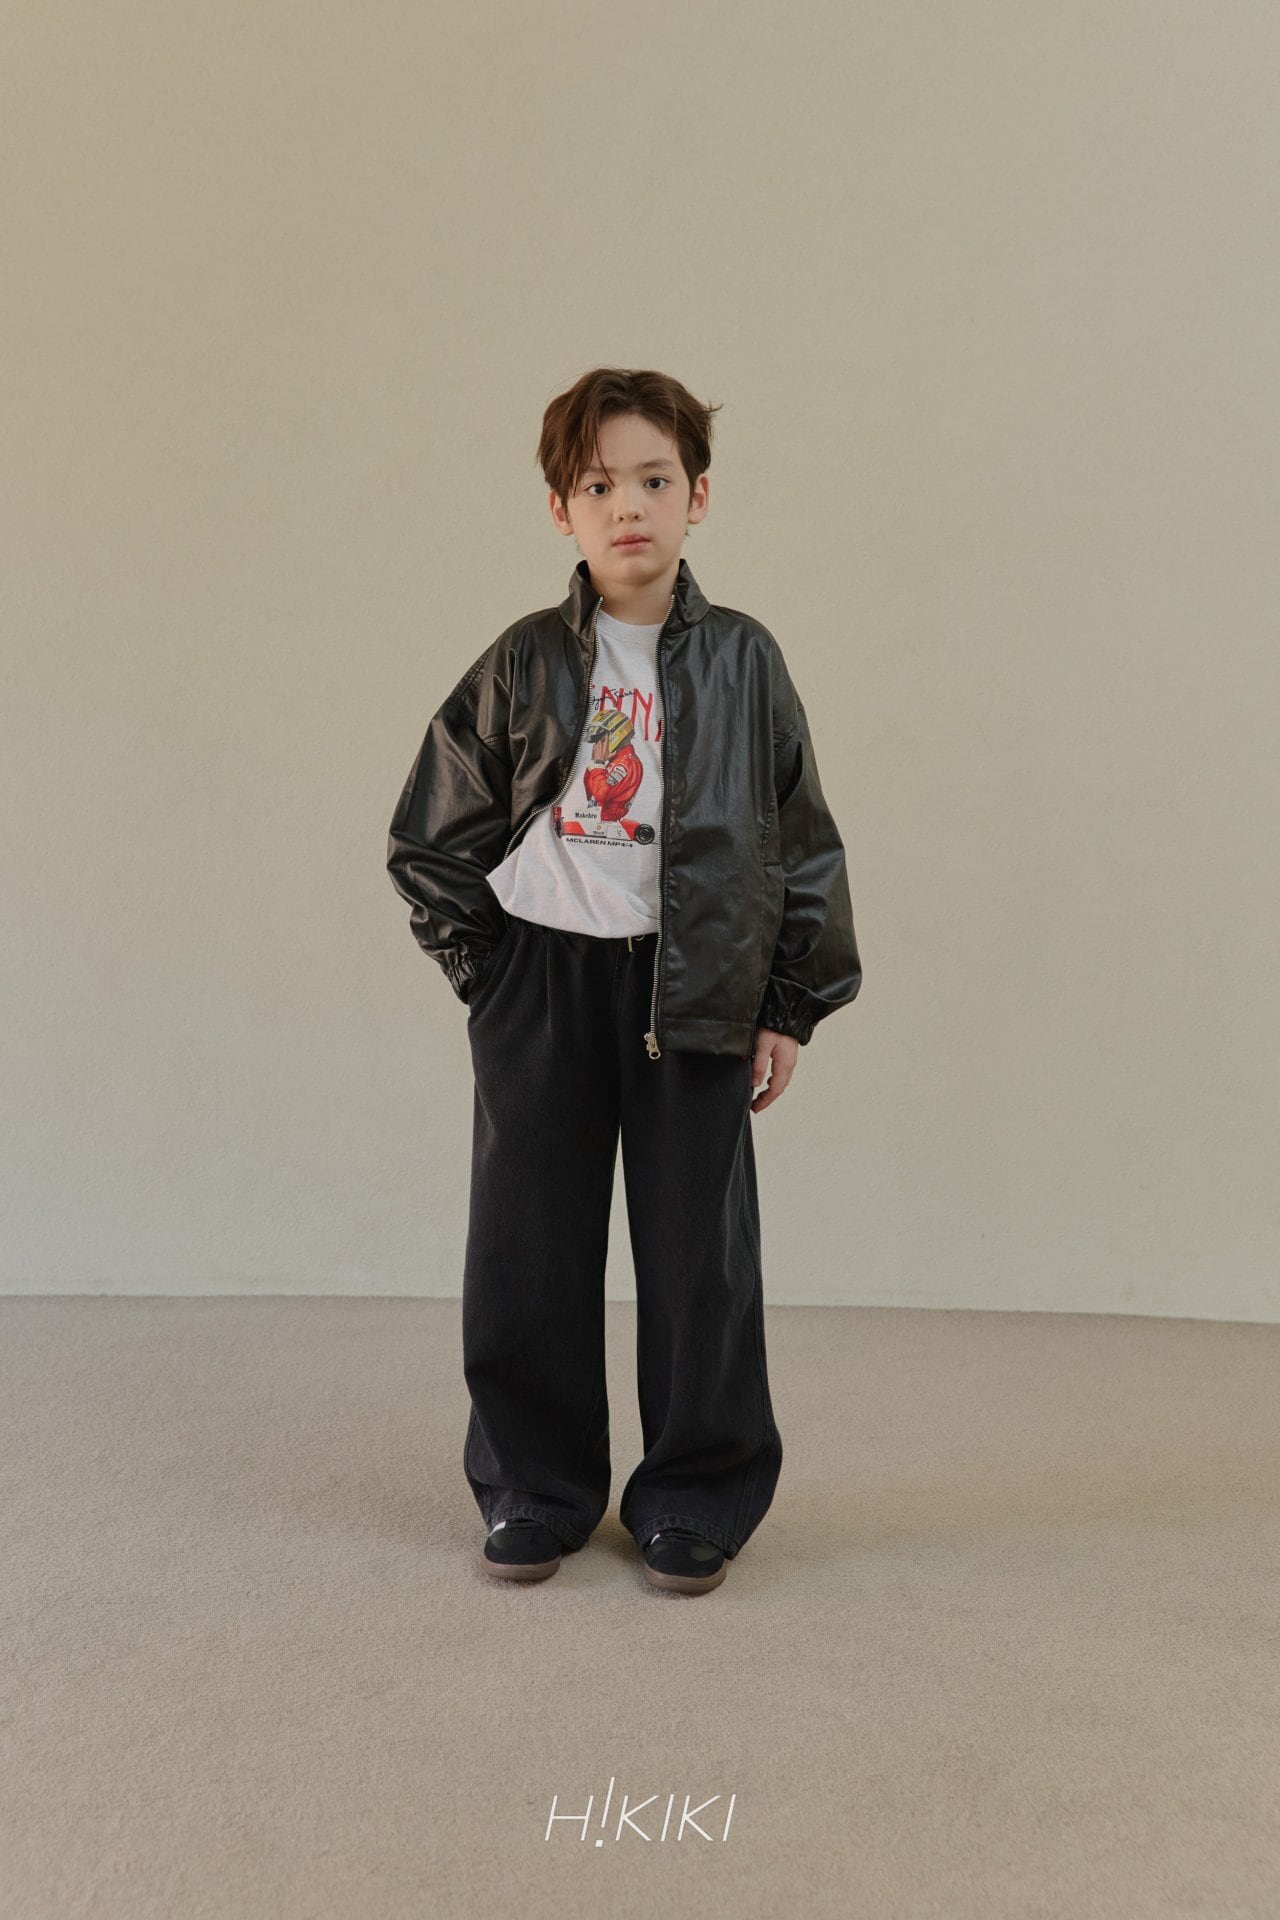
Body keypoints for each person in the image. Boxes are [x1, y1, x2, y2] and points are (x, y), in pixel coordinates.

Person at [387, 366, 861, 1595]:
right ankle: (533, 1488)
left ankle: (696, 1494)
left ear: (696, 495)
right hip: (543, 982)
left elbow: (800, 839)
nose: (627, 506)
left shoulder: (745, 660)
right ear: (562, 509)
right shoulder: (524, 659)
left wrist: (787, 1002)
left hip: (697, 984)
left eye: (653, 479)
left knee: (699, 1259)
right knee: (526, 1248)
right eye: (597, 485)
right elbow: (430, 835)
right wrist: (491, 976)